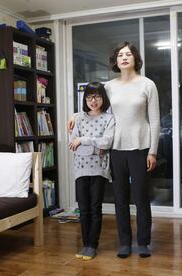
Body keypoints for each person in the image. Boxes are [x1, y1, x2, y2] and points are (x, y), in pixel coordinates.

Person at [69, 42, 160, 258]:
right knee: (120, 199)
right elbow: (91, 104)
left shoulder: (148, 85)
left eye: (128, 54)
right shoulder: (108, 86)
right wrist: (72, 116)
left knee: (140, 197)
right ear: (116, 60)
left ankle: (144, 242)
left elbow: (155, 121)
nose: (124, 57)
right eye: (120, 54)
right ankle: (125, 243)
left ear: (135, 58)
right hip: (115, 149)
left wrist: (153, 152)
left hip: (140, 147)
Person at [69, 81, 115, 261]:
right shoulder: (78, 118)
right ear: (85, 99)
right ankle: (85, 243)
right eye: (89, 97)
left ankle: (92, 245)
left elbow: (107, 143)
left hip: (99, 169)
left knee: (95, 208)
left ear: (103, 98)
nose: (93, 101)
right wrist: (94, 146)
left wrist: (84, 140)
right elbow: (73, 144)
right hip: (80, 169)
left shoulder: (109, 118)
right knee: (83, 208)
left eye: (97, 96)